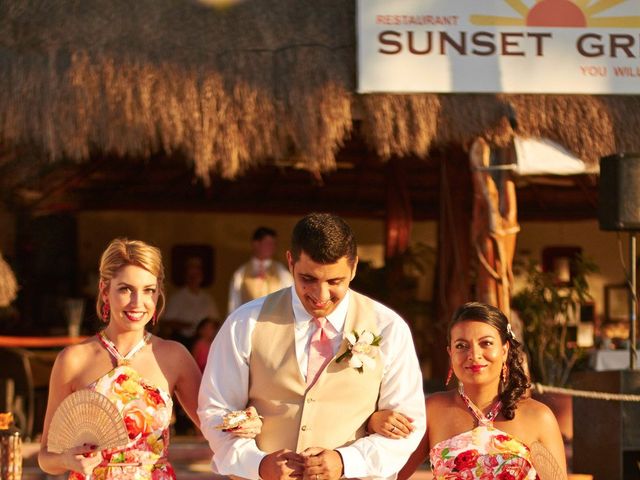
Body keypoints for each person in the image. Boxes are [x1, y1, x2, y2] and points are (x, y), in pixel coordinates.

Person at [198, 212, 426, 480]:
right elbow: (216, 410)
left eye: (334, 281)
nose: (321, 296)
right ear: (290, 262)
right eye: (308, 279)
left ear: (353, 269)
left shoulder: (387, 328)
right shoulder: (245, 322)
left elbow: (407, 426)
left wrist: (347, 461)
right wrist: (258, 465)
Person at [37, 238, 255, 479]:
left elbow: (213, 426)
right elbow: (46, 457)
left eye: (148, 290)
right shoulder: (73, 360)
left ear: (158, 293)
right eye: (125, 289)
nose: (137, 302)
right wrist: (68, 459)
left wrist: (245, 424)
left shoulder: (174, 356)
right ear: (104, 290)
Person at [367, 302, 567, 480]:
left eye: (486, 343)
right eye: (461, 346)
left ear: (505, 350)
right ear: (450, 353)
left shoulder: (539, 417)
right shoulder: (433, 411)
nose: (474, 355)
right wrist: (373, 423)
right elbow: (391, 473)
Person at [227, 226, 293, 314]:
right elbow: (234, 304)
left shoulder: (282, 272)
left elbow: (290, 299)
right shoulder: (241, 274)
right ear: (256, 244)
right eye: (268, 243)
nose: (272, 247)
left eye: (273, 244)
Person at [163, 256, 220, 346]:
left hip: (203, 341)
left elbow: (215, 320)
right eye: (191, 276)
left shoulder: (208, 298)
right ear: (186, 276)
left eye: (197, 275)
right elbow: (168, 321)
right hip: (182, 341)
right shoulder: (177, 297)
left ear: (201, 277)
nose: (194, 279)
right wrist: (189, 326)